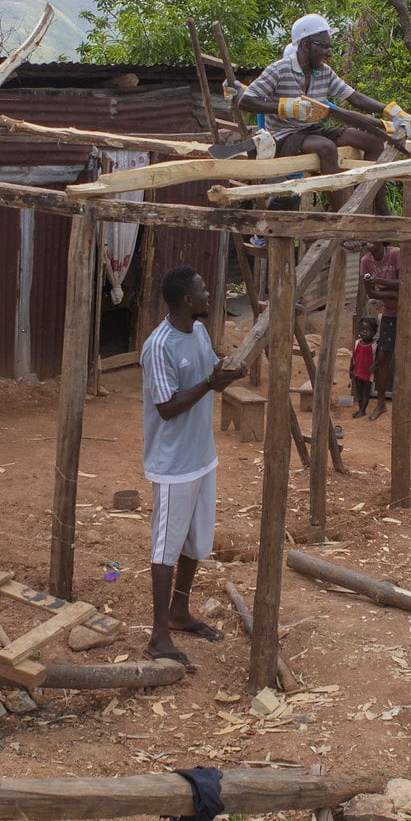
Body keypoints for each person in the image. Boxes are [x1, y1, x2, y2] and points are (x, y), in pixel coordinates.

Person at [139, 265, 243, 669]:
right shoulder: (158, 346)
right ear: (186, 299)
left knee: (196, 544)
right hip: (173, 466)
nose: (208, 294)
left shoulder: (198, 332)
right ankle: (157, 635)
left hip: (202, 457)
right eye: (202, 290)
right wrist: (212, 385)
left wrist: (228, 376)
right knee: (165, 548)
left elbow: (209, 376)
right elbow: (166, 408)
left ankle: (179, 614)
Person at [237, 13, 411, 177]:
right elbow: (246, 101)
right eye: (324, 46)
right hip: (284, 136)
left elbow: (355, 98)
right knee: (326, 147)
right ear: (306, 45)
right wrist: (286, 107)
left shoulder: (324, 72)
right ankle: (340, 210)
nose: (329, 53)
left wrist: (390, 110)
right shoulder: (279, 69)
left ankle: (373, 203)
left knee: (373, 141)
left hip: (312, 131)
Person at [359, 240, 411, 419]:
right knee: (383, 357)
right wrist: (389, 290)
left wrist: (379, 282)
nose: (366, 241)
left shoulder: (395, 254)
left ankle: (406, 401)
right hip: (390, 312)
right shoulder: (366, 261)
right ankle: (381, 404)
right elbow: (371, 293)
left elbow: (406, 284)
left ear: (382, 238)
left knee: (409, 354)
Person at [349, 315, 378, 415]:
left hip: (368, 373)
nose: (364, 332)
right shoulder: (357, 342)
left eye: (368, 330)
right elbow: (353, 357)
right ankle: (361, 409)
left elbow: (378, 359)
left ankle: (362, 410)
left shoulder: (375, 345)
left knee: (365, 391)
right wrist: (350, 369)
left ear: (374, 332)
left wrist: (374, 367)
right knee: (358, 391)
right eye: (362, 329)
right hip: (357, 371)